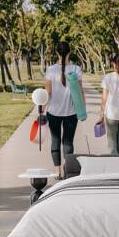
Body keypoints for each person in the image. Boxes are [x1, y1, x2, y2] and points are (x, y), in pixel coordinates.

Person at [45, 41, 85, 179]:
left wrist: (41, 109)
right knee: (68, 142)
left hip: (53, 112)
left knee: (55, 141)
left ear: (57, 52)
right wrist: (83, 110)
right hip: (71, 113)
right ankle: (67, 169)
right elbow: (80, 92)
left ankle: (57, 171)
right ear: (69, 52)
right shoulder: (76, 69)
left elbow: (48, 93)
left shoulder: (50, 70)